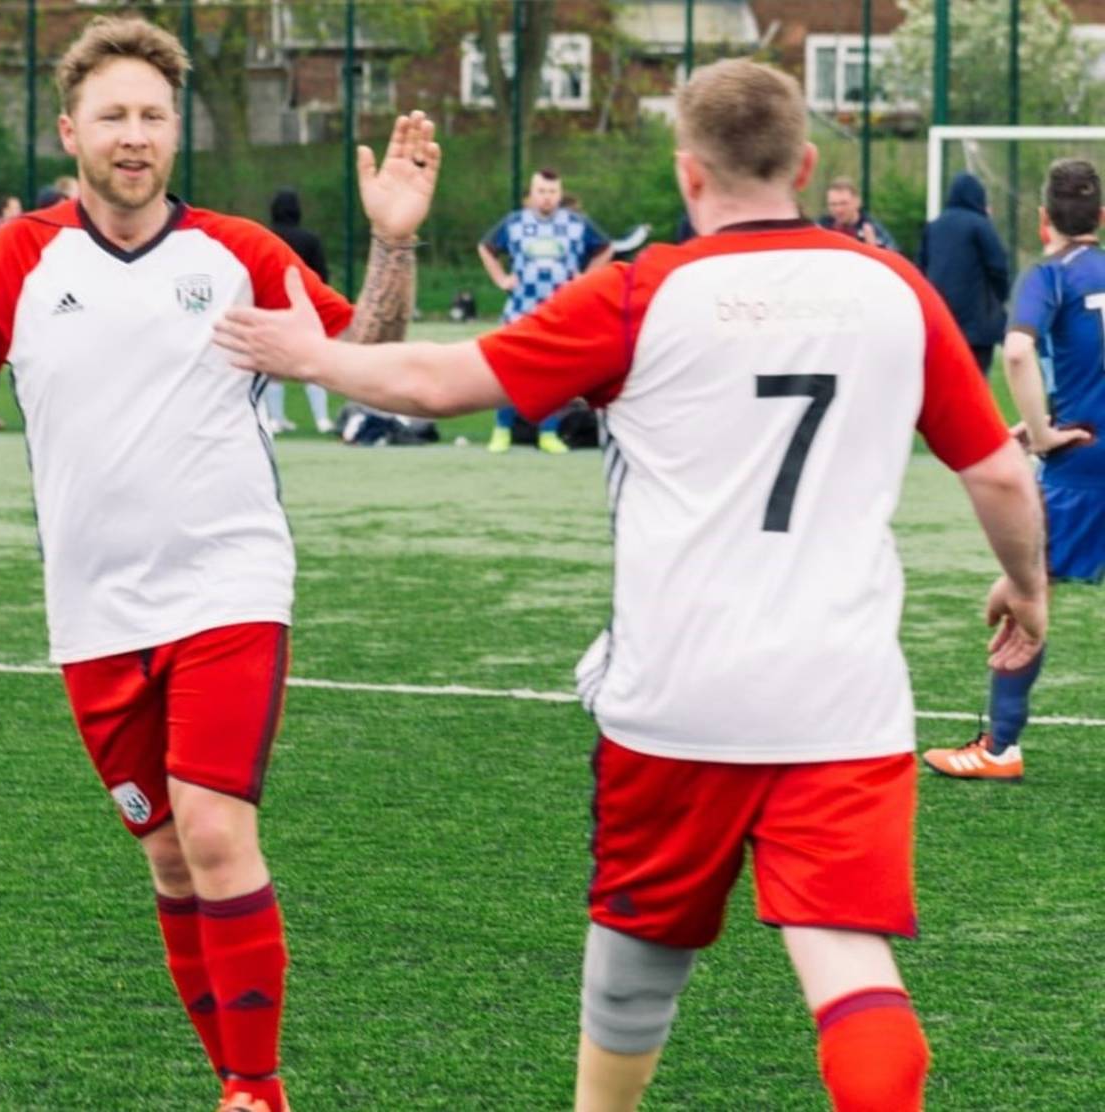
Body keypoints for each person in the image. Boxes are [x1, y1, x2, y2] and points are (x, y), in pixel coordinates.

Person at [214, 58, 1048, 1112]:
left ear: (687, 173)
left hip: (677, 695)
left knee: (636, 959)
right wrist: (1028, 588)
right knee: (847, 963)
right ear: (804, 164)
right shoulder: (894, 291)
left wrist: (310, 355)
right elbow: (1001, 474)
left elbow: (437, 380)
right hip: (842, 699)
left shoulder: (641, 291)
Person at [0, 17, 436, 1112]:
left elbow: (371, 359)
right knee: (165, 858)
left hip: (227, 583)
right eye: (114, 115)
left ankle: (257, 1089)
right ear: (71, 130)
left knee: (212, 825)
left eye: (155, 115)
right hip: (93, 608)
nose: (136, 135)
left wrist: (393, 242)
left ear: (176, 132)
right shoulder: (19, 257)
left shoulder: (239, 252)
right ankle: (233, 1081)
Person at [923, 158, 1104, 784]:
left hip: (1080, 467)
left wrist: (1047, 432)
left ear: (1043, 218)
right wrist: (1049, 418)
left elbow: (1020, 350)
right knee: (1020, 591)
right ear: (1102, 218)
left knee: (1025, 591)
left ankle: (999, 748)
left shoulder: (1049, 276)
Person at [477, 167, 611, 453]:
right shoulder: (515, 223)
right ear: (531, 194)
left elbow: (606, 248)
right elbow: (486, 248)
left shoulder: (576, 224)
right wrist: (502, 278)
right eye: (541, 191)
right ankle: (502, 430)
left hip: (559, 312)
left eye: (552, 192)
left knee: (553, 374)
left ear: (560, 194)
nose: (547, 197)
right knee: (508, 369)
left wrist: (586, 278)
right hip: (520, 309)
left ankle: (548, 433)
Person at [918, 172, 1011, 375]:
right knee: (975, 383)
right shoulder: (980, 224)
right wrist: (1000, 298)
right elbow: (998, 266)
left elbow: (922, 270)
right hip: (977, 327)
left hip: (941, 323)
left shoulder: (933, 227)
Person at [266, 189, 334, 434]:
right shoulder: (310, 239)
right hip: (304, 308)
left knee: (272, 367)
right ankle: (322, 419)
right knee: (311, 362)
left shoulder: (266, 237)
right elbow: (322, 275)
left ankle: (275, 419)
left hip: (270, 305)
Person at [819, 176, 897, 250]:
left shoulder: (872, 229)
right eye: (833, 204)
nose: (838, 209)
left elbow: (893, 257)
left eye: (843, 203)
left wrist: (874, 249)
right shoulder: (820, 227)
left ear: (857, 202)